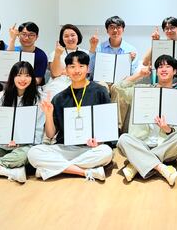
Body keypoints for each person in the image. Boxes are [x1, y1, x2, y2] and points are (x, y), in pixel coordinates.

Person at [27, 51, 113, 181]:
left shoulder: (100, 91)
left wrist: (99, 141)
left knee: (106, 152)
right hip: (65, 148)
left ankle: (51, 168)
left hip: (89, 148)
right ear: (66, 70)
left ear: (88, 69)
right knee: (33, 153)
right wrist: (48, 115)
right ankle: (84, 172)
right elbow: (50, 135)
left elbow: (107, 124)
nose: (77, 70)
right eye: (72, 67)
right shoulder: (59, 98)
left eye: (81, 66)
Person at [115, 55, 177, 186]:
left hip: (164, 145)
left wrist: (168, 130)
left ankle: (136, 164)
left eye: (168, 66)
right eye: (160, 67)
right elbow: (118, 87)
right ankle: (161, 168)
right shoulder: (142, 90)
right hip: (141, 143)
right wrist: (138, 75)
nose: (163, 69)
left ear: (175, 71)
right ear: (156, 71)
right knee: (123, 139)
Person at [141, 17, 177, 109]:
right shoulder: (160, 46)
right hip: (160, 84)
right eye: (166, 28)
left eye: (172, 27)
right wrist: (154, 43)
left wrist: (176, 74)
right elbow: (145, 62)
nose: (169, 31)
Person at [43, 24, 85, 97]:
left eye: (72, 35)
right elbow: (55, 74)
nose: (70, 38)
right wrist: (57, 55)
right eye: (66, 36)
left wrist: (65, 71)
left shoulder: (85, 53)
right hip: (58, 83)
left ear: (78, 36)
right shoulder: (55, 52)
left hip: (78, 82)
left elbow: (85, 72)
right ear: (62, 39)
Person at [7, 22, 49, 86]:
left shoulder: (41, 55)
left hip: (32, 87)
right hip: (12, 85)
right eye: (24, 34)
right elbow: (7, 62)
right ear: (18, 35)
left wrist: (21, 83)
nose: (27, 38)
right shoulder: (14, 50)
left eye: (31, 35)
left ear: (36, 37)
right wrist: (12, 39)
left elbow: (38, 80)